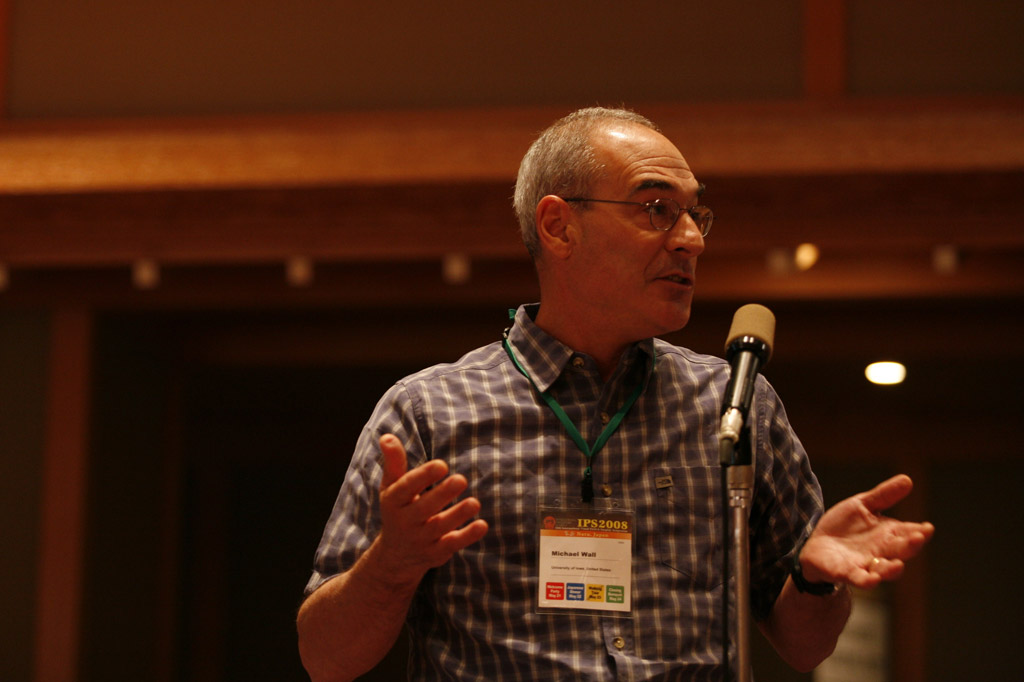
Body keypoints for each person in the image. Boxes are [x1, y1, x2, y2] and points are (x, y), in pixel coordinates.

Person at [296, 107, 934, 681]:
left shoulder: (734, 405)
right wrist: (395, 560)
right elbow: (326, 659)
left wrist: (815, 579)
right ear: (559, 227)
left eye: (695, 213)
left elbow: (805, 647)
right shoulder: (428, 413)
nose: (691, 239)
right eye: (657, 209)